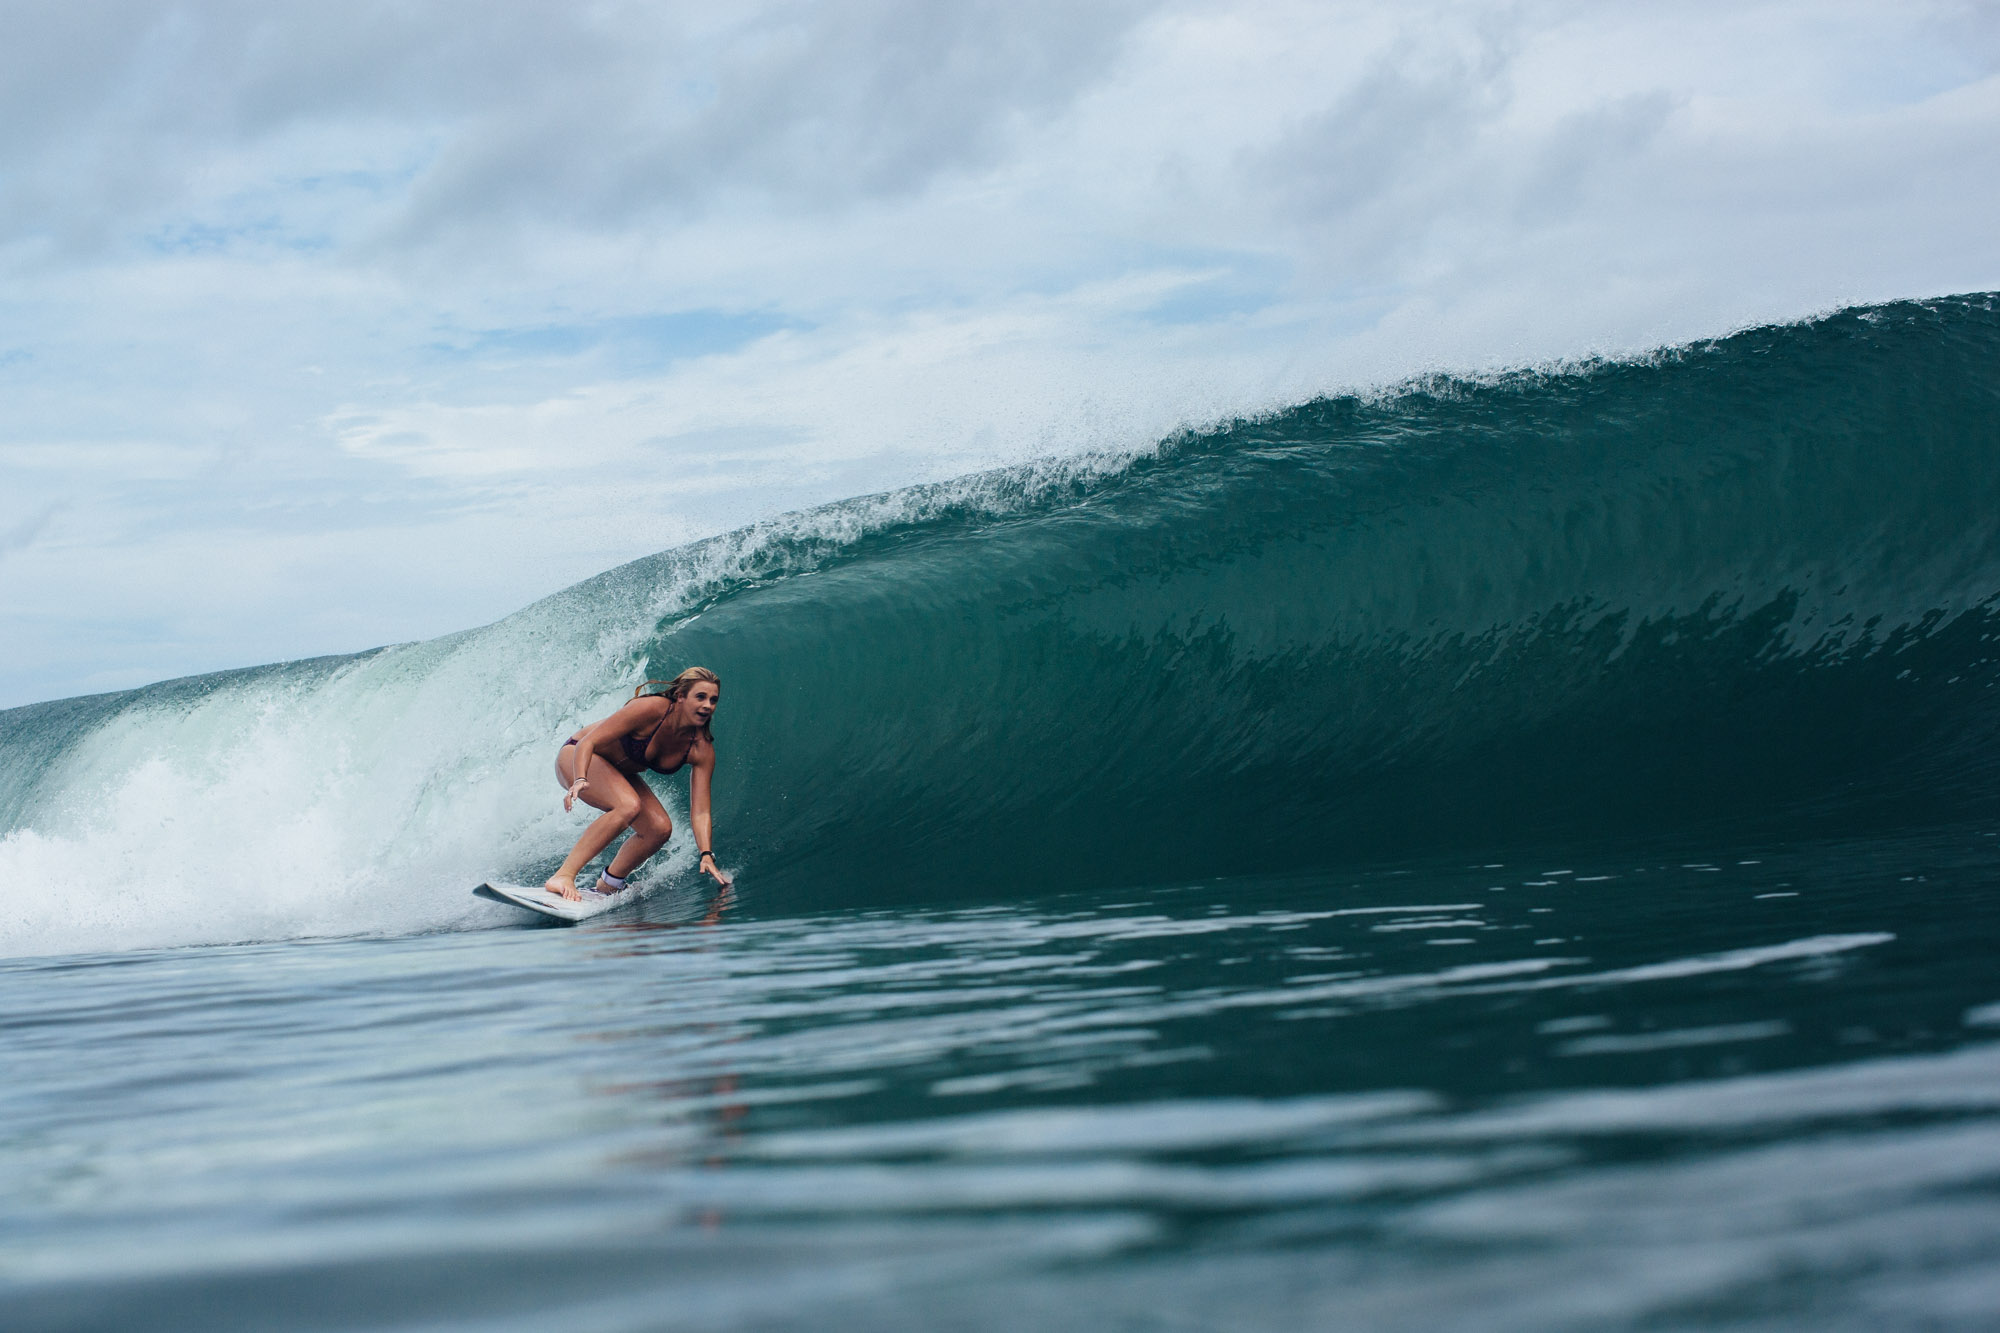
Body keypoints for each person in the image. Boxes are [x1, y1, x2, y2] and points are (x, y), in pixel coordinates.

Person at [545, 666, 732, 901]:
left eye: (713, 700)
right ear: (681, 696)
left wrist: (706, 853)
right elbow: (588, 742)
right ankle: (563, 875)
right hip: (576, 755)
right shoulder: (651, 709)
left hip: (618, 771)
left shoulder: (700, 748)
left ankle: (609, 884)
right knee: (628, 805)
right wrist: (580, 778)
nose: (708, 705)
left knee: (659, 828)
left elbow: (701, 811)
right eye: (701, 697)